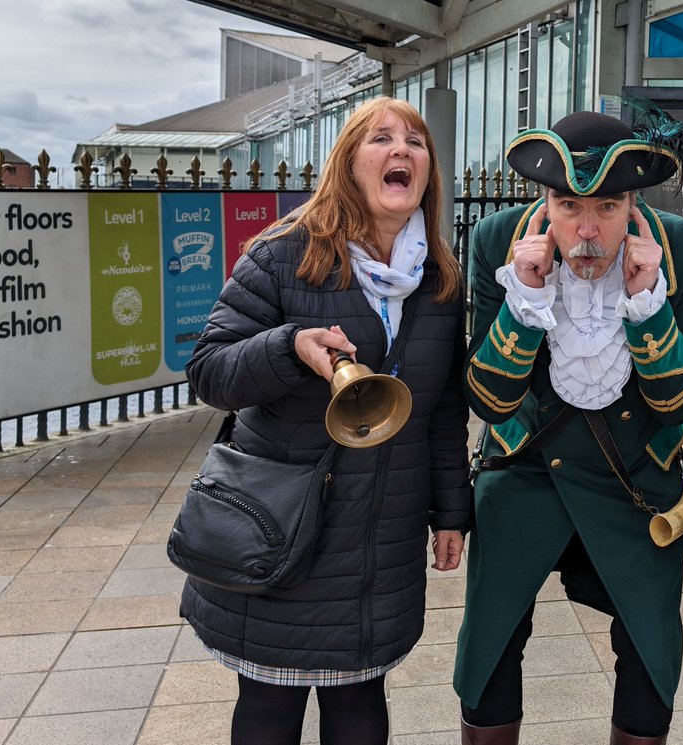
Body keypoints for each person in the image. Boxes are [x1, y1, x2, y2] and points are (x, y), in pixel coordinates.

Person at [181, 97, 470, 745]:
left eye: (415, 142)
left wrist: (451, 510)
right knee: (269, 706)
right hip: (284, 529)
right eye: (381, 139)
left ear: (428, 170)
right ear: (347, 164)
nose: (402, 150)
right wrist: (287, 348)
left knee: (360, 701)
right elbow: (210, 371)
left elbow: (446, 406)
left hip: (380, 537)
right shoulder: (284, 255)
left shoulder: (439, 276)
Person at [454, 109, 683, 745]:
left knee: (650, 653)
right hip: (526, 469)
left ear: (633, 204)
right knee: (491, 645)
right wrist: (526, 302)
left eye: (608, 206)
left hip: (636, 478)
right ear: (545, 201)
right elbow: (488, 398)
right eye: (569, 205)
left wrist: (648, 307)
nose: (588, 229)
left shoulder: (682, 249)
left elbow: (679, 403)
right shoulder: (497, 243)